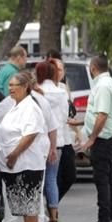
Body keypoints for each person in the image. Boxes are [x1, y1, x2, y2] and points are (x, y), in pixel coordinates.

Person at [0, 72, 50, 222]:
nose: (11, 88)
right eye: (9, 85)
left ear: (25, 87)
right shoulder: (17, 106)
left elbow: (30, 134)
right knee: (24, 200)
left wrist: (15, 154)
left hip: (26, 160)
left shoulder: (30, 107)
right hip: (18, 161)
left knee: (28, 199)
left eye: (14, 85)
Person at [79, 55, 112, 222]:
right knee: (109, 179)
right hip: (109, 136)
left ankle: (104, 219)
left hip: (103, 138)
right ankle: (109, 216)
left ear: (93, 67)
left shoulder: (103, 86)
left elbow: (102, 114)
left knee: (102, 179)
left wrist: (92, 137)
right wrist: (81, 122)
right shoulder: (110, 83)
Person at [35, 62, 68, 222]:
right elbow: (64, 116)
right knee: (52, 179)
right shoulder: (61, 92)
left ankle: (37, 219)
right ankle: (54, 218)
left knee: (37, 181)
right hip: (58, 140)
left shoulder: (36, 92)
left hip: (39, 140)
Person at [50, 57, 77, 201]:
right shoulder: (44, 89)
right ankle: (52, 207)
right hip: (53, 138)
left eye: (60, 69)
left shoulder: (64, 88)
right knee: (54, 176)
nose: (58, 72)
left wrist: (78, 133)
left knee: (69, 175)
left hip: (66, 137)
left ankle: (52, 205)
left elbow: (69, 115)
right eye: (55, 69)